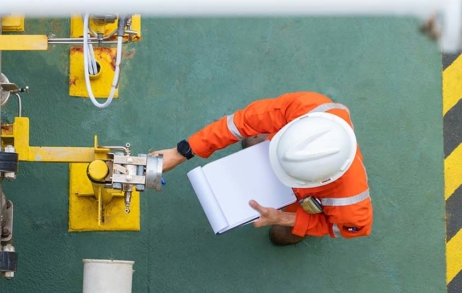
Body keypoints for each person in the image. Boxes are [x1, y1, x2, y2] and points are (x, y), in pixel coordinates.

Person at [152, 92, 372, 245]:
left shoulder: (351, 205)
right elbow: (240, 122)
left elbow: (341, 229)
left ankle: (289, 221)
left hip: (306, 199)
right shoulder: (307, 107)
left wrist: (282, 218)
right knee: (252, 138)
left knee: (280, 235)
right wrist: (180, 152)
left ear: (320, 181)